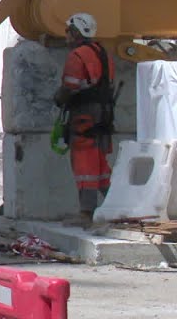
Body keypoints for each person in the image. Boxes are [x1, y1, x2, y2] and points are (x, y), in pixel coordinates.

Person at [53, 12, 116, 225]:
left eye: (68, 32)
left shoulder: (77, 56)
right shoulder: (103, 53)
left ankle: (86, 214)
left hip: (84, 116)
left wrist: (59, 99)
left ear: (76, 32)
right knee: (101, 166)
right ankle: (116, 208)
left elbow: (69, 87)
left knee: (85, 166)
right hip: (104, 115)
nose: (67, 37)